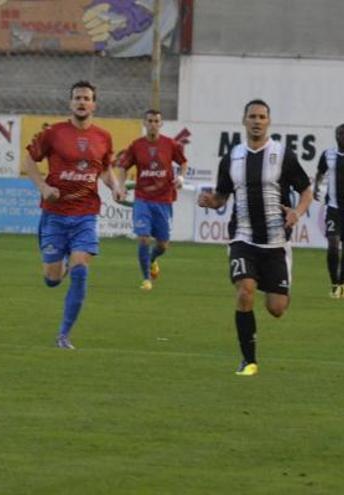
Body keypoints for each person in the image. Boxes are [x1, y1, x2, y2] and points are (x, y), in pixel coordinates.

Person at [197, 99, 312, 376]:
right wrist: (209, 201)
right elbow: (221, 197)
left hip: (275, 243)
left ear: (268, 121)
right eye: (252, 116)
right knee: (245, 292)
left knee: (277, 308)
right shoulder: (232, 157)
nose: (257, 121)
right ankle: (248, 361)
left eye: (262, 116)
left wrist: (296, 212)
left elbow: (307, 190)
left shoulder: (283, 155)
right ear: (244, 121)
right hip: (243, 238)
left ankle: (272, 284)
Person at [23, 80, 126, 350]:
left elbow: (104, 169)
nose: (82, 102)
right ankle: (60, 267)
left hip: (85, 215)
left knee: (80, 271)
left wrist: (115, 187)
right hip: (54, 215)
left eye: (87, 98)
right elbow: (28, 160)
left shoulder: (103, 136)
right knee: (52, 280)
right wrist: (43, 187)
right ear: (71, 103)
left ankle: (64, 335)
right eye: (77, 97)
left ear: (94, 104)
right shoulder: (54, 133)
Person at [116, 109, 188, 290]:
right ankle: (146, 279)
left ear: (161, 124)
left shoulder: (170, 144)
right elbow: (123, 167)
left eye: (156, 121)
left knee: (163, 245)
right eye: (150, 120)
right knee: (143, 238)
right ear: (144, 123)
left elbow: (183, 163)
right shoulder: (136, 145)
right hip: (143, 199)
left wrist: (181, 177)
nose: (153, 124)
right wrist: (122, 185)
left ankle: (153, 259)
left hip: (164, 200)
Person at [313, 124, 344, 298]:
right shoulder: (328, 155)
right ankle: (334, 283)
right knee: (333, 245)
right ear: (336, 136)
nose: (342, 137)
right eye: (339, 133)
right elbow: (320, 172)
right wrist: (316, 187)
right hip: (333, 209)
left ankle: (342, 284)